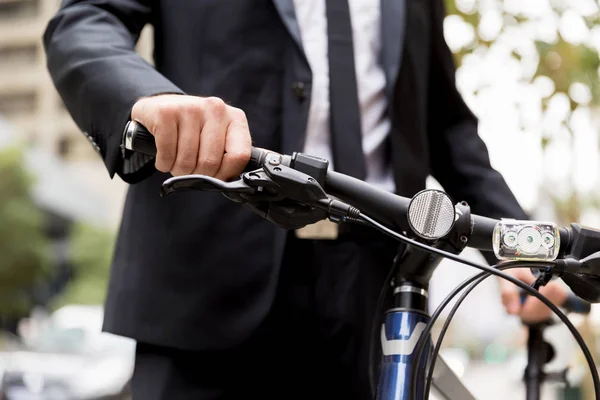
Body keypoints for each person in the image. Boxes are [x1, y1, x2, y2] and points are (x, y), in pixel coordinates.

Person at [44, 0, 568, 399]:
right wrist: (149, 97)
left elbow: (446, 124)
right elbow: (85, 20)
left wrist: (520, 244)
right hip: (209, 283)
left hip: (375, 287)